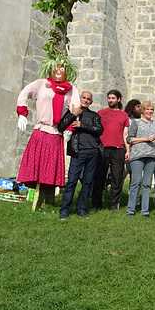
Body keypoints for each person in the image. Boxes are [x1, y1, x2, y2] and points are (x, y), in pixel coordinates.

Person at [16, 59, 80, 207]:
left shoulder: (70, 89)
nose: (59, 72)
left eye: (62, 69)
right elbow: (23, 94)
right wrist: (22, 113)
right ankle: (34, 198)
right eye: (56, 68)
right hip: (40, 130)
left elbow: (75, 109)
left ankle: (47, 202)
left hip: (56, 132)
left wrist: (70, 128)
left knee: (50, 167)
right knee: (36, 164)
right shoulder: (42, 84)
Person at [57, 91, 103, 220]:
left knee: (87, 183)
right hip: (78, 152)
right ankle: (65, 210)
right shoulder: (73, 112)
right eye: (84, 98)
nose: (86, 100)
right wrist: (73, 115)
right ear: (80, 98)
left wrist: (82, 125)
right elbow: (61, 126)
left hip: (93, 152)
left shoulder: (94, 116)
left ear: (91, 102)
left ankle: (81, 209)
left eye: (89, 99)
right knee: (71, 181)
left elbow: (99, 130)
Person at [92, 90, 130, 211]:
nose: (110, 100)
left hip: (118, 149)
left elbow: (125, 134)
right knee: (99, 177)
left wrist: (127, 150)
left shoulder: (124, 115)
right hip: (102, 148)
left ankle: (114, 205)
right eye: (109, 98)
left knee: (117, 178)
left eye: (113, 98)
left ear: (118, 99)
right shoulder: (100, 113)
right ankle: (96, 204)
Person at [126, 101, 155, 217]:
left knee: (147, 184)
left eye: (151, 110)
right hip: (137, 156)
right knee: (136, 182)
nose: (149, 112)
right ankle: (131, 210)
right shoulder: (136, 123)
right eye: (147, 109)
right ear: (142, 111)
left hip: (151, 156)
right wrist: (145, 138)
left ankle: (145, 210)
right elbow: (129, 139)